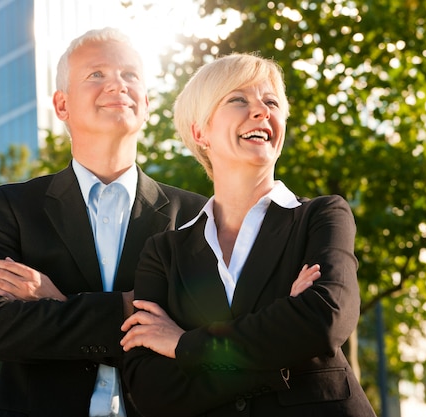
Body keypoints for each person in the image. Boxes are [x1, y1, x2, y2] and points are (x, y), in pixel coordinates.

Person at [0, 27, 209, 417]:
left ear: (146, 102)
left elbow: (200, 332)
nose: (116, 84)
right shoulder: (10, 205)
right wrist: (130, 311)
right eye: (96, 74)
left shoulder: (197, 214)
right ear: (62, 105)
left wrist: (57, 303)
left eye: (129, 75)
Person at [120, 53, 377, 416]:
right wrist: (284, 334)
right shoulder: (164, 253)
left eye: (271, 102)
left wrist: (184, 345)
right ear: (200, 132)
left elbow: (324, 320)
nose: (261, 111)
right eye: (238, 99)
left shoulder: (322, 215)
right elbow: (153, 391)